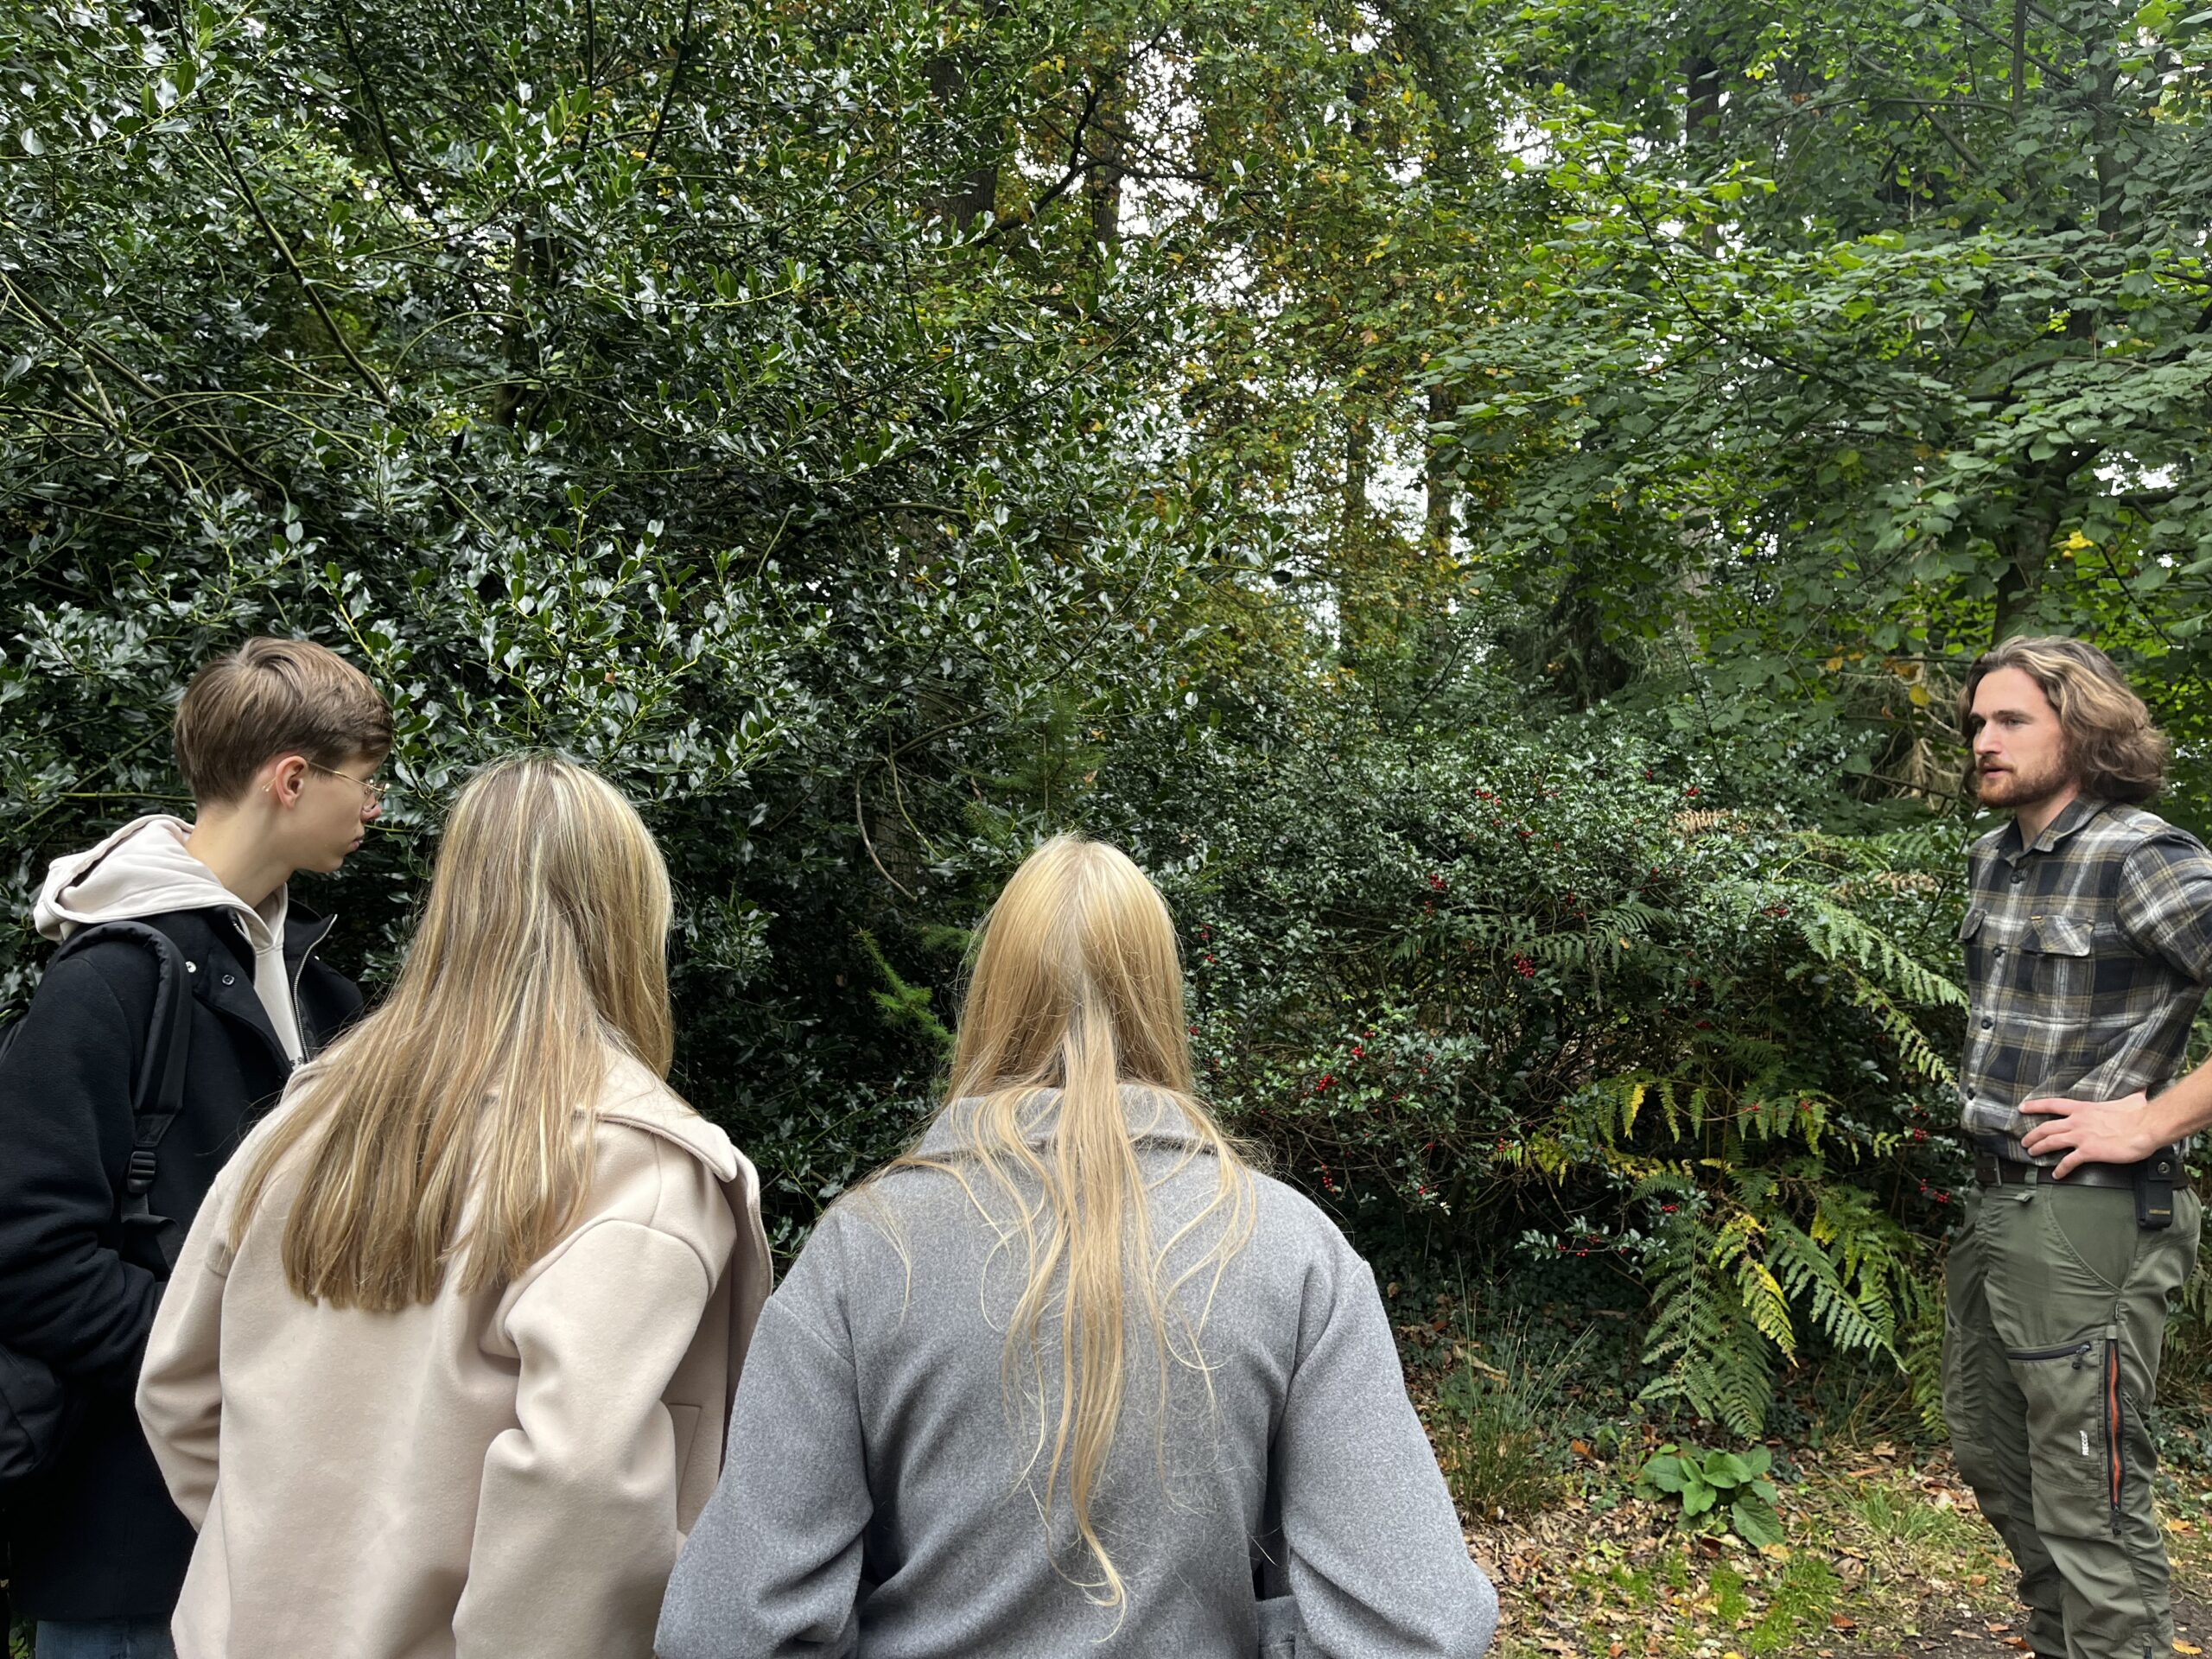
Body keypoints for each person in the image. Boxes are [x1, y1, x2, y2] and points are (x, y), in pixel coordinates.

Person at [657, 834, 1497, 1659]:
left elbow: (727, 1630)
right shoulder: (1291, 1253)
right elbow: (1416, 1626)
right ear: (1160, 999)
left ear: (989, 999)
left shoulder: (862, 1254)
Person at [133, 754, 772, 1659]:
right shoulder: (643, 1166)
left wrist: (287, 1569)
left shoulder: (307, 1117)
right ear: (631, 919)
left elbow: (179, 1390)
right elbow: (581, 1485)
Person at [0, 638, 392, 1659]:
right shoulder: (112, 984)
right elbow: (25, 1255)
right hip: (130, 1553)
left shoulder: (319, 994)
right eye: (367, 782)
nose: (375, 811)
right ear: (292, 778)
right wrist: (226, 1358)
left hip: (271, 1542)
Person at [1946, 635, 2209, 1659]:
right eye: (1976, 722)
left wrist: (2146, 1120)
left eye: (2011, 719)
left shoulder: (2138, 855)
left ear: (2083, 729)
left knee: (2088, 1498)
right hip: (1998, 1207)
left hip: (2092, 1217)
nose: (1983, 739)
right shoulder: (1994, 856)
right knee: (1995, 1459)